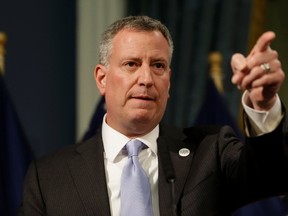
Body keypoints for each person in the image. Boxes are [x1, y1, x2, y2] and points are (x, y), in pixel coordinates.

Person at [18, 15, 288, 216]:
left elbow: (270, 177)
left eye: (158, 65)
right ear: (102, 78)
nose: (146, 79)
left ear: (168, 81)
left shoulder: (209, 152)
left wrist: (262, 104)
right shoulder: (49, 178)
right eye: (131, 64)